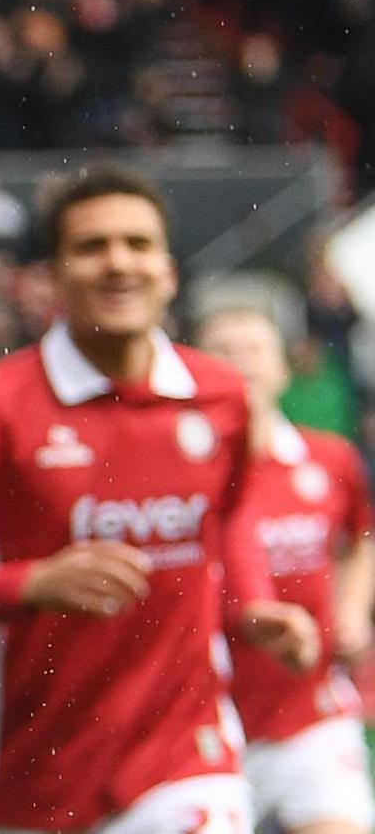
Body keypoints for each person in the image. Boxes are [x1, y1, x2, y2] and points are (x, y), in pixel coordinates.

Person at [0, 166, 320, 834]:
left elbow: (235, 517)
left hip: (186, 756)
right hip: (42, 773)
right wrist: (34, 582)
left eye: (138, 244)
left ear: (168, 271)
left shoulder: (222, 397)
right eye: (92, 246)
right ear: (49, 277)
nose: (118, 263)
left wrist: (252, 603)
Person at [198, 307, 375, 834]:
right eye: (224, 352)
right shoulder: (173, 470)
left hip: (308, 718)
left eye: (254, 350)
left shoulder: (330, 460)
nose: (241, 363)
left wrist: (352, 606)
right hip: (205, 730)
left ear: (283, 367)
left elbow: (363, 535)